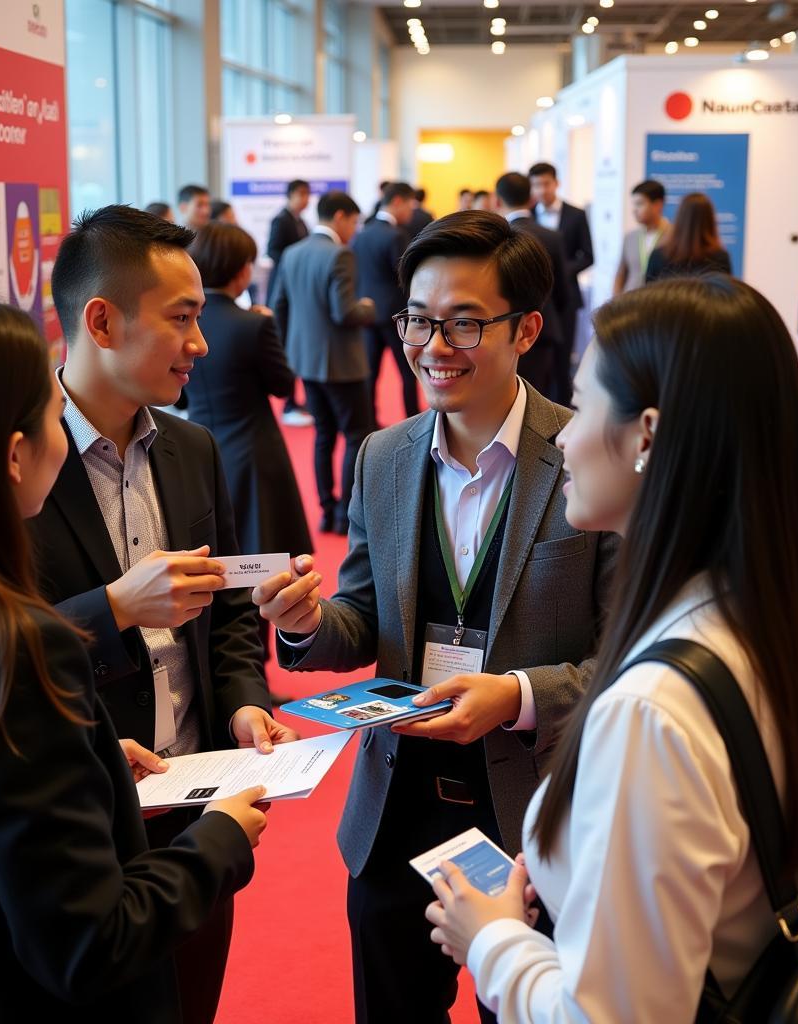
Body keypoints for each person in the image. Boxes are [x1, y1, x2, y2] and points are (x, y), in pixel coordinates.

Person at [423, 275, 798, 1021]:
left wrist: (493, 941)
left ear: (648, 434)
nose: (563, 434)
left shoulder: (653, 711)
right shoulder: (787, 619)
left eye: (582, 403)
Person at [0, 294, 271, 1022]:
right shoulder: (19, 649)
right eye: (51, 413)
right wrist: (220, 838)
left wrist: (94, 760)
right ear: (14, 456)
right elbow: (89, 942)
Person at [256, 211, 618, 1024]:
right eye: (418, 319)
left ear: (526, 329)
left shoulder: (588, 457)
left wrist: (517, 693)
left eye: (463, 322)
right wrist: (306, 624)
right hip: (394, 812)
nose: (433, 345)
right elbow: (361, 618)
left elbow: (626, 661)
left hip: (532, 819)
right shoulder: (383, 455)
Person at [28, 205, 296, 1024]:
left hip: (199, 811)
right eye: (181, 319)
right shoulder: (18, 466)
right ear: (101, 321)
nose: (202, 344)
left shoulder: (192, 448)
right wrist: (112, 609)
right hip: (81, 820)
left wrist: (247, 698)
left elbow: (228, 618)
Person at [187, 223, 312, 569]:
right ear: (241, 269)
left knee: (211, 558)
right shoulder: (253, 325)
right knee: (261, 564)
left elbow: (180, 398)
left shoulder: (183, 324)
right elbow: (283, 386)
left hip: (196, 449)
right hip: (253, 453)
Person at [270, 191, 377, 536]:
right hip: (342, 364)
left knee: (323, 436)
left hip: (306, 361)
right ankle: (346, 516)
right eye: (354, 222)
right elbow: (344, 311)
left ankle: (326, 510)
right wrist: (369, 307)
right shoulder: (340, 255)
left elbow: (279, 306)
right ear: (341, 216)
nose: (354, 230)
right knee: (357, 436)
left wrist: (289, 353)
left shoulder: (292, 252)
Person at [494, 171, 570, 399]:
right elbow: (562, 292)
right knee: (541, 396)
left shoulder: (494, 238)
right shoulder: (551, 236)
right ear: (531, 198)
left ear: (497, 200)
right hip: (543, 329)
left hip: (502, 330)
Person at [352, 181, 420, 424]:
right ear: (398, 201)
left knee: (371, 373)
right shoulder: (396, 235)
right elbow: (405, 276)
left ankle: (369, 422)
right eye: (410, 206)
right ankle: (414, 421)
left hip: (368, 313)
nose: (411, 213)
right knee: (408, 372)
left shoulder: (361, 233)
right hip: (394, 315)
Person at [530, 161, 593, 406]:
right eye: (536, 185)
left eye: (546, 183)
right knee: (536, 363)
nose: (542, 190)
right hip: (536, 299)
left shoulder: (576, 214)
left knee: (562, 361)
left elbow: (588, 255)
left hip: (565, 299)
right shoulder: (529, 216)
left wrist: (560, 270)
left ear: (556, 183)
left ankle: (563, 416)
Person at [266, 179, 313, 427]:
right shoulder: (281, 220)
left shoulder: (302, 221)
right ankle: (289, 402)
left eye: (308, 194)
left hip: (297, 292)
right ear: (291, 195)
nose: (306, 199)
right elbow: (272, 251)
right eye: (302, 194)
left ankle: (296, 399)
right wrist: (293, 261)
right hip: (283, 292)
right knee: (286, 346)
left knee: (297, 344)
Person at [645, 192, 732, 283]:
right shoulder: (720, 258)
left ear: (679, 218)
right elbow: (725, 294)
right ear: (710, 220)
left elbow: (649, 293)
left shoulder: (658, 256)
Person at [612, 179, 670, 294]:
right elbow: (620, 275)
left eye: (640, 204)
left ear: (658, 205)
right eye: (634, 204)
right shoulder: (630, 238)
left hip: (661, 304)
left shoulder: (674, 236)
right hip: (630, 304)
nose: (634, 210)